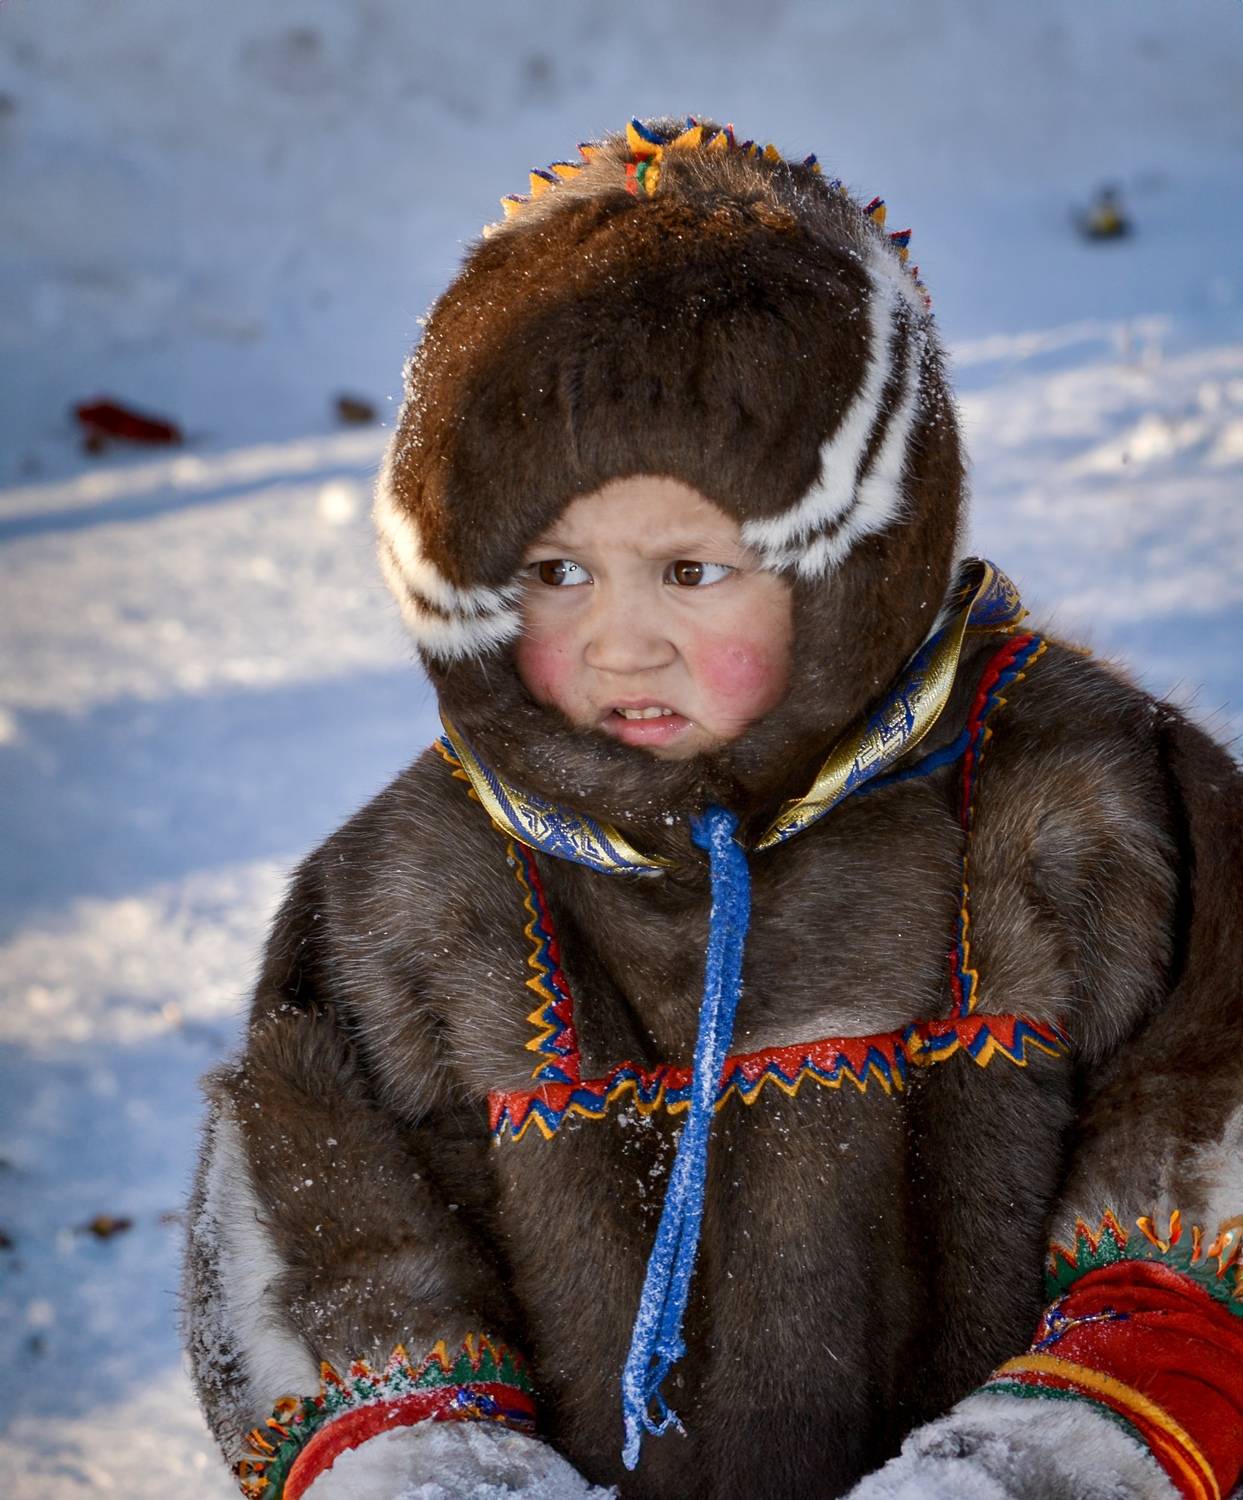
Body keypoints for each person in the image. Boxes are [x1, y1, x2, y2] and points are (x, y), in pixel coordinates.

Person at [183, 116, 1243, 1500]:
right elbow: (313, 1220)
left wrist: (1065, 1449)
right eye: (557, 574)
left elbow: (1210, 1115)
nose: (620, 642)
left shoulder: (1078, 799)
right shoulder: (420, 884)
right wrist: (426, 1455)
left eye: (691, 572)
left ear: (857, 551)